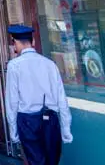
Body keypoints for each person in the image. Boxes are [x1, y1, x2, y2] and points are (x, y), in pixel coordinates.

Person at [4, 24, 72, 165]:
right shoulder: (49, 64)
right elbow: (61, 98)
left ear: (15, 42)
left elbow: (12, 102)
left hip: (27, 121)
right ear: (33, 42)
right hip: (50, 120)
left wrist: (13, 132)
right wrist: (66, 128)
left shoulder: (14, 65)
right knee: (52, 161)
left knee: (36, 162)